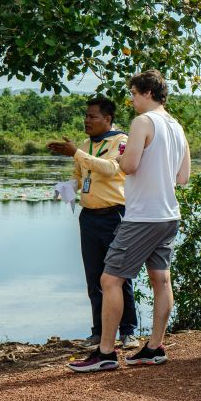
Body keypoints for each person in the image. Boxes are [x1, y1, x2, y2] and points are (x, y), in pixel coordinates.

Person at [68, 70, 190, 372]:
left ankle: (106, 353)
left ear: (147, 92)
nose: (132, 100)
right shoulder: (176, 126)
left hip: (142, 215)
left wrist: (122, 159)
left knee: (110, 280)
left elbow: (130, 166)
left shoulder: (143, 122)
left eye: (133, 94)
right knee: (161, 280)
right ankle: (153, 347)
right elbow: (183, 177)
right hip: (168, 213)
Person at [47, 97, 138, 350]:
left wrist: (76, 152)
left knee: (118, 276)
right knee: (94, 277)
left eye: (92, 116)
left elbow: (110, 169)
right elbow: (79, 175)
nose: (87, 120)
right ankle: (98, 331)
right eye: (86, 116)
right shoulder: (87, 144)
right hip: (89, 217)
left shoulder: (121, 142)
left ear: (107, 119)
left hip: (114, 216)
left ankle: (128, 331)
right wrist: (67, 187)